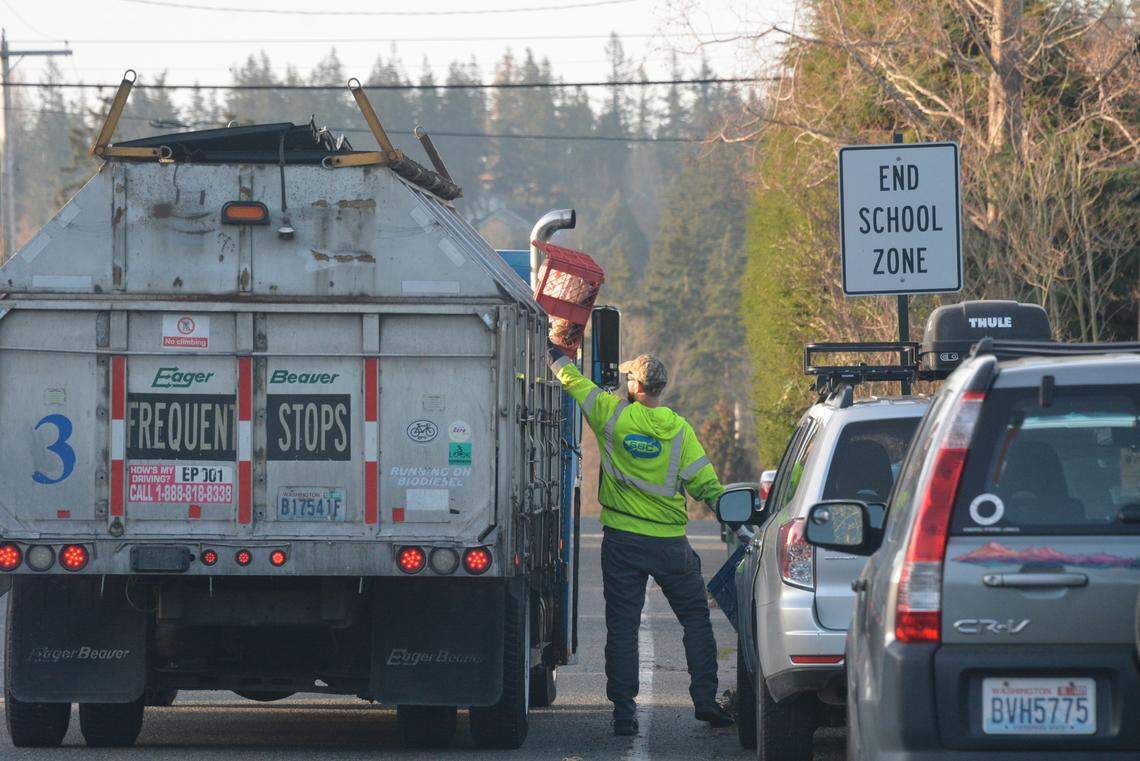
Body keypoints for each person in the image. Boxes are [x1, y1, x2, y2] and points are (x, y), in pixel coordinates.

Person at [547, 344, 734, 736]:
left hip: (623, 542)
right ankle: (704, 700)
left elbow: (575, 383)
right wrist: (729, 509)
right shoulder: (680, 430)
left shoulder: (612, 415)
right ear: (661, 388)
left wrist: (554, 353)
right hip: (671, 544)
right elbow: (705, 484)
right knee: (696, 619)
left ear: (634, 384)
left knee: (623, 626)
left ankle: (623, 713)